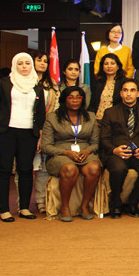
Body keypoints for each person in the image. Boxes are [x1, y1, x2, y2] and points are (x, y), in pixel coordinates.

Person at [0, 53, 46, 222]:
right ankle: (4, 210)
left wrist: (39, 137)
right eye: (20, 63)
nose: (24, 66)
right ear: (14, 66)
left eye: (27, 63)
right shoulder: (3, 83)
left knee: (25, 170)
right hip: (5, 132)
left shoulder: (37, 86)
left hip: (29, 134)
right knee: (3, 170)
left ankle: (24, 208)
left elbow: (40, 114)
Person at [41, 86, 101, 221]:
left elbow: (96, 143)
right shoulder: (52, 118)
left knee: (94, 167)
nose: (75, 100)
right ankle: (65, 207)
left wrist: (87, 151)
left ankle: (84, 205)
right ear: (64, 99)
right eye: (71, 97)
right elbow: (46, 146)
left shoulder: (90, 117)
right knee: (70, 168)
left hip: (85, 152)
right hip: (60, 154)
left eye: (78, 97)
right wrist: (66, 153)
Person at [99, 79, 139, 218]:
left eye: (132, 90)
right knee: (118, 169)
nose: (128, 94)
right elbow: (104, 138)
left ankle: (133, 201)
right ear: (120, 93)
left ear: (138, 93)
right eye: (125, 90)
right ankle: (116, 204)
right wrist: (114, 150)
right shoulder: (110, 112)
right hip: (117, 152)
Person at [28, 49, 57, 213]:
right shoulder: (23, 82)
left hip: (45, 129)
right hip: (25, 128)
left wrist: (45, 130)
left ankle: (41, 201)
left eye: (45, 61)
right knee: (25, 167)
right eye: (39, 60)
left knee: (42, 168)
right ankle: (22, 203)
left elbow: (55, 108)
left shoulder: (51, 84)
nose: (42, 64)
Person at [89, 53, 127, 121]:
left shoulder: (124, 82)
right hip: (97, 119)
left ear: (118, 66)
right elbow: (92, 104)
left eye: (112, 63)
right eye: (106, 64)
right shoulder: (98, 83)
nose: (109, 66)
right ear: (102, 67)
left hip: (116, 120)